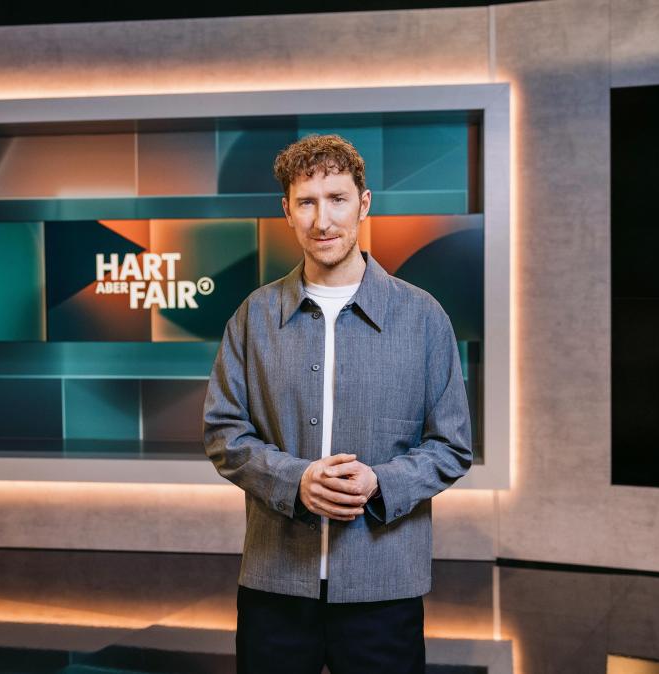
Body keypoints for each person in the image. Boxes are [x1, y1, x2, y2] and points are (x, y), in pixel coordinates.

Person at [203, 133, 473, 674]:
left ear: (363, 203)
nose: (322, 220)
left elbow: (452, 446)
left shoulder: (423, 317)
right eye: (306, 202)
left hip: (384, 588)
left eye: (337, 199)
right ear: (287, 211)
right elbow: (224, 432)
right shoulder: (254, 316)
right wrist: (295, 480)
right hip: (275, 586)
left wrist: (381, 483)